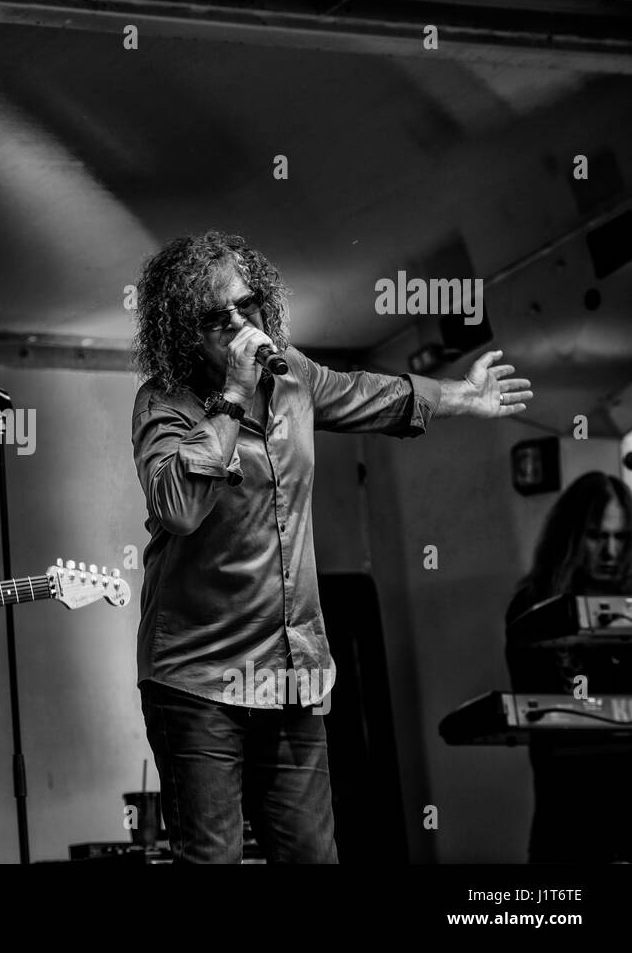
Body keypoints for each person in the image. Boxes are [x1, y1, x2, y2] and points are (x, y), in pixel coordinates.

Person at [129, 231, 533, 863]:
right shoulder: (163, 403)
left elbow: (370, 393)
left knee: (313, 857)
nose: (241, 325)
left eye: (248, 305)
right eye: (217, 318)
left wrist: (462, 396)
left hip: (292, 672)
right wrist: (234, 394)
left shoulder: (293, 376)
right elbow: (178, 510)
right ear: (183, 332)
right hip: (199, 677)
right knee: (212, 858)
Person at [505, 471, 632, 862]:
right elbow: (548, 706)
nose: (610, 552)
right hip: (571, 820)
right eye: (597, 536)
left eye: (621, 537)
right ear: (573, 537)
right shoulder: (536, 607)